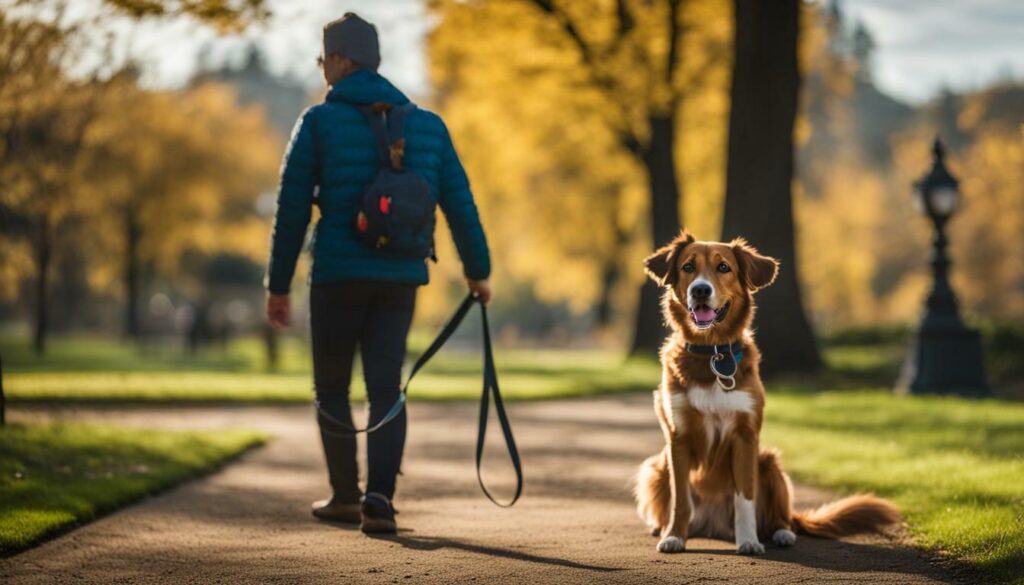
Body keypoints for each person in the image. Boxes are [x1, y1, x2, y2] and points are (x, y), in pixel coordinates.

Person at [264, 13, 491, 534]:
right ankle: (380, 499)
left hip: (337, 277)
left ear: (341, 61)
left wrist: (278, 286)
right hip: (400, 276)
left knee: (332, 387)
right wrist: (479, 273)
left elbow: (291, 209)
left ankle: (345, 495)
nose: (323, 69)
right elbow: (460, 202)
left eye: (324, 60)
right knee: (387, 386)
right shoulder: (428, 126)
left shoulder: (317, 123)